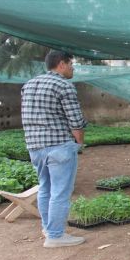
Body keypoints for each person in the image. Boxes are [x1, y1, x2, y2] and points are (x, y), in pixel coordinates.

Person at [21, 50, 87, 248]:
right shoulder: (63, 85)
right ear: (61, 64)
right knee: (60, 191)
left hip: (35, 147)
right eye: (70, 64)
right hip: (59, 145)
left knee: (45, 188)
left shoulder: (28, 85)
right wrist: (78, 144)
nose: (72, 67)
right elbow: (76, 121)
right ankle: (56, 236)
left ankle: (48, 229)